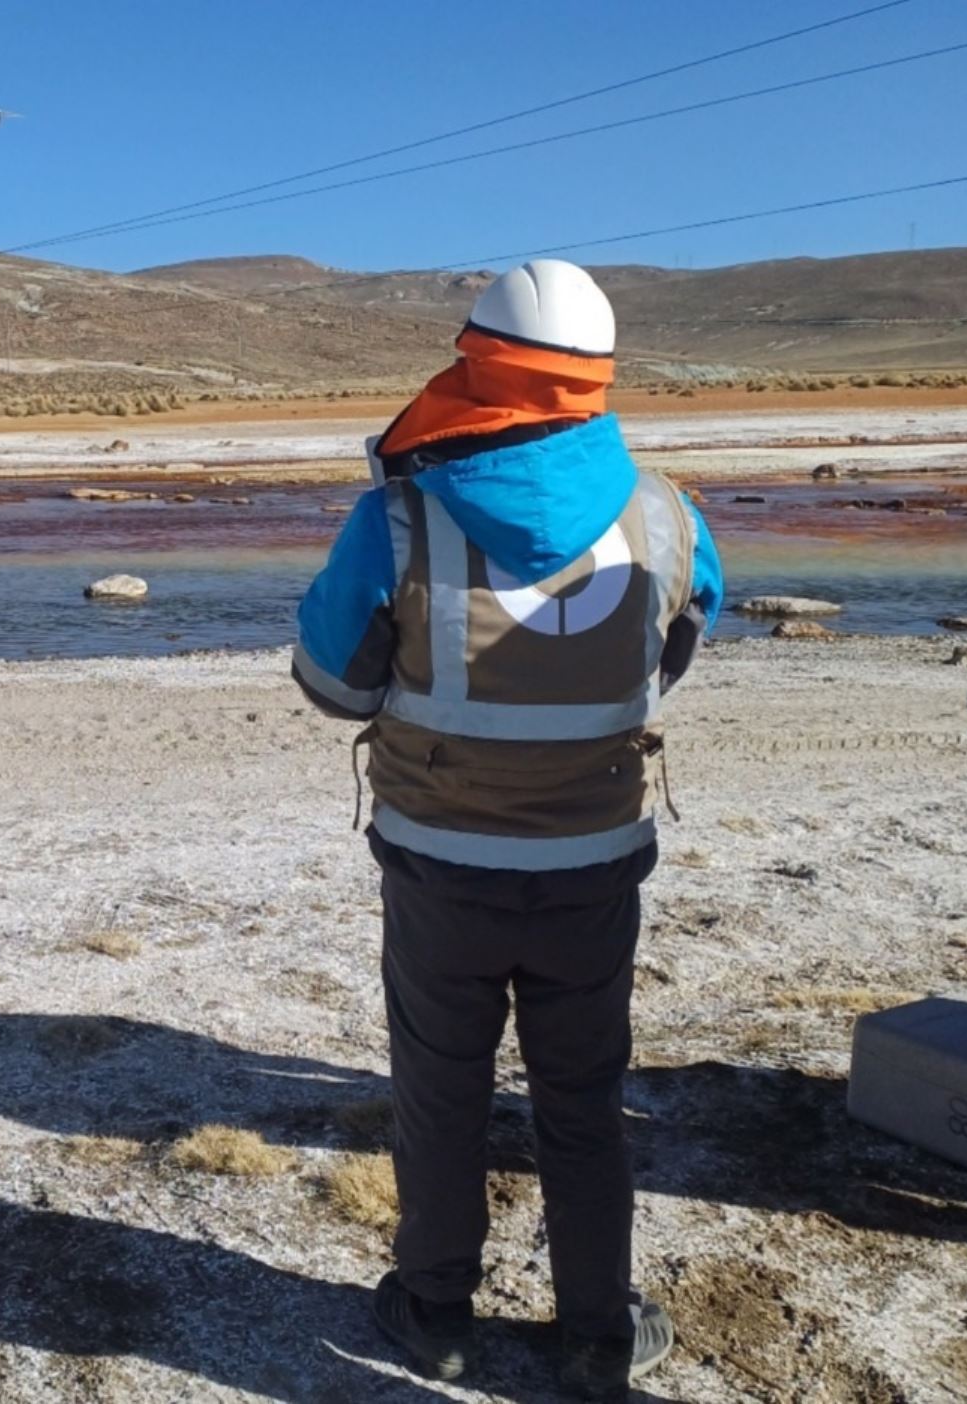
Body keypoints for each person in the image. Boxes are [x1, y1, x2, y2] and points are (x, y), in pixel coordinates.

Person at [291, 259, 724, 1396]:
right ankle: (595, 1334)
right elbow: (673, 653)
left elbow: (332, 682)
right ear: (597, 376)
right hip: (595, 864)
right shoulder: (669, 515)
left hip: (441, 862)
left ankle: (434, 1312)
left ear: (474, 361)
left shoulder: (397, 516)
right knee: (584, 1095)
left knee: (443, 1089)